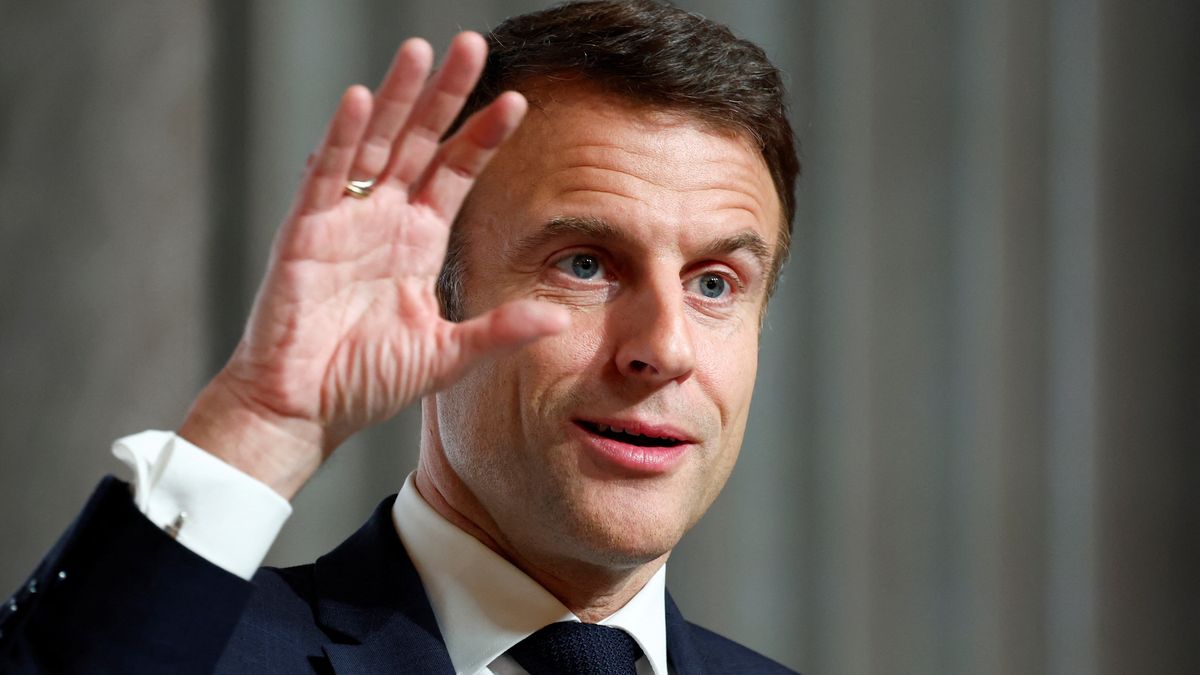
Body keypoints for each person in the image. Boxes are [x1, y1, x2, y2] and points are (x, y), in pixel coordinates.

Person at [0, 1, 800, 672]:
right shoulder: (206, 651)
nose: (666, 347)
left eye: (713, 283)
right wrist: (264, 421)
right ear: (429, 289)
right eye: (585, 263)